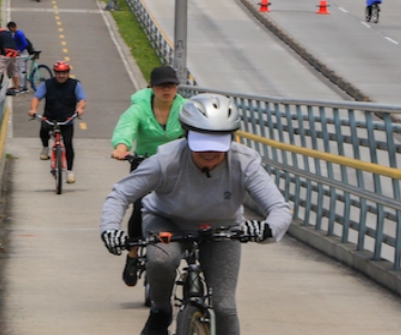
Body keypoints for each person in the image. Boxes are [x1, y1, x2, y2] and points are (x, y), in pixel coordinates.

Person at [100, 94, 292, 335]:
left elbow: (279, 208)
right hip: (167, 220)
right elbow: (121, 194)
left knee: (225, 306)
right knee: (162, 259)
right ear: (187, 134)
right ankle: (160, 311)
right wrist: (110, 229)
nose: (210, 152)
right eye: (202, 143)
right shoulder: (166, 159)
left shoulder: (245, 162)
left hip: (223, 228)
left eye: (218, 143)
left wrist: (266, 229)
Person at [111, 66, 186, 287]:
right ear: (152, 88)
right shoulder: (139, 108)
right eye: (161, 85)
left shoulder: (185, 108)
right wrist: (121, 147)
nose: (166, 89)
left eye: (171, 85)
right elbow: (126, 128)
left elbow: (200, 127)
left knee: (187, 207)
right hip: (145, 164)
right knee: (139, 208)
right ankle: (133, 255)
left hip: (176, 166)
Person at [28, 61, 86, 184]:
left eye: (64, 73)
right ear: (55, 73)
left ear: (68, 73)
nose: (61, 75)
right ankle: (45, 148)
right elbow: (37, 98)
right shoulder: (47, 84)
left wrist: (80, 109)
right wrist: (33, 109)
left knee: (68, 144)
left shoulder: (75, 85)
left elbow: (82, 99)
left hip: (67, 120)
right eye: (59, 73)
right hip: (50, 117)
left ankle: (69, 172)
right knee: (43, 131)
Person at [0, 23, 20, 95]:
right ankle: (16, 89)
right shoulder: (8, 33)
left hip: (5, 54)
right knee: (14, 71)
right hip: (14, 53)